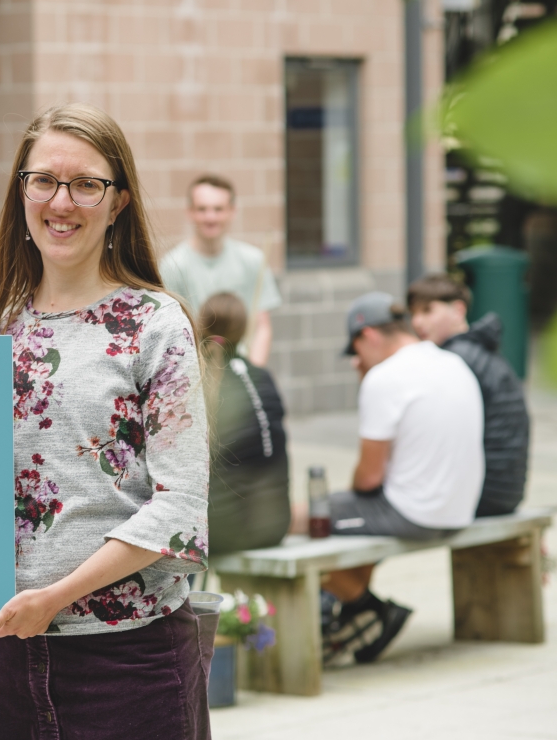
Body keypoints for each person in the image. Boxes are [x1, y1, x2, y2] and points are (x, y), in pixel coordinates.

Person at [0, 103, 212, 740]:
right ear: (20, 192)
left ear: (118, 203)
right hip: (11, 647)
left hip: (130, 656)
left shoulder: (154, 324)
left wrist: (54, 599)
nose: (63, 201)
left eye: (86, 183)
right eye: (44, 181)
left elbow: (181, 510)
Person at [319, 292, 484, 665]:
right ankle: (361, 614)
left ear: (370, 336)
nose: (356, 362)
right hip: (460, 508)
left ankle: (370, 611)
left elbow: (368, 477)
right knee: (348, 520)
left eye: (356, 350)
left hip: (416, 513)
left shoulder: (384, 377)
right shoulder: (453, 362)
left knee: (302, 519)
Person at [407, 273, 530, 516]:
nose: (417, 322)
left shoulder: (455, 360)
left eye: (427, 310)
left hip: (479, 492)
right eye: (413, 313)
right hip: (506, 491)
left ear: (458, 310)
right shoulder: (481, 351)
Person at [198, 292, 290, 556]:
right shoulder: (263, 376)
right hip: (276, 525)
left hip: (223, 533)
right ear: (245, 330)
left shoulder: (200, 382)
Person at [160, 175, 280, 366]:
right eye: (202, 209)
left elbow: (262, 326)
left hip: (241, 365)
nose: (210, 217)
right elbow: (169, 331)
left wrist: (252, 372)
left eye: (218, 209)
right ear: (189, 212)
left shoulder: (253, 260)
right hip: (195, 372)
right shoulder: (171, 266)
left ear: (232, 211)